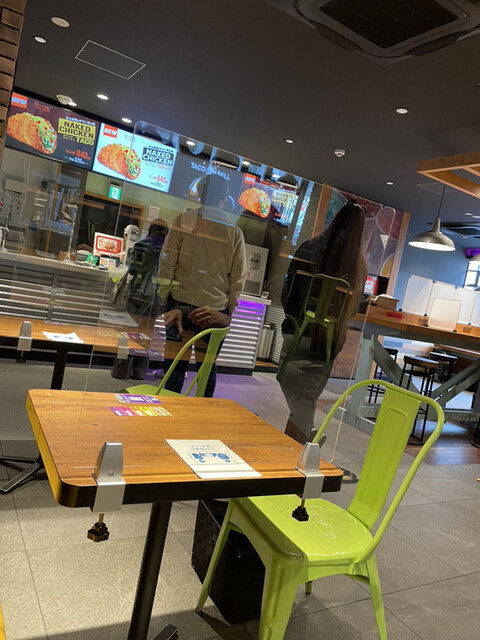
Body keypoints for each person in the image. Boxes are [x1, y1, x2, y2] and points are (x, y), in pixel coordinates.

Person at [278, 199, 367, 443]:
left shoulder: (308, 248)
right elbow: (351, 311)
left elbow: (288, 292)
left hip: (296, 333)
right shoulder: (358, 266)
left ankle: (305, 439)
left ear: (335, 219)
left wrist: (294, 318)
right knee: (307, 396)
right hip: (327, 344)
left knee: (297, 392)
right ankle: (307, 439)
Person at [158, 174, 247, 396]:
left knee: (175, 364)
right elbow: (238, 278)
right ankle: (202, 410)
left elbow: (167, 261)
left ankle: (169, 409)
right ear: (225, 198)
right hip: (215, 309)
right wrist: (230, 311)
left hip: (179, 302)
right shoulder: (234, 231)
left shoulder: (183, 221)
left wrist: (163, 296)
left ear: (199, 194)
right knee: (207, 368)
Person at [111, 218, 169, 379]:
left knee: (128, 333)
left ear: (150, 229)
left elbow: (132, 270)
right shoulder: (168, 251)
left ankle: (121, 370)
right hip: (155, 298)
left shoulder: (141, 245)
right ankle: (139, 371)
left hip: (137, 294)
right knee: (146, 335)